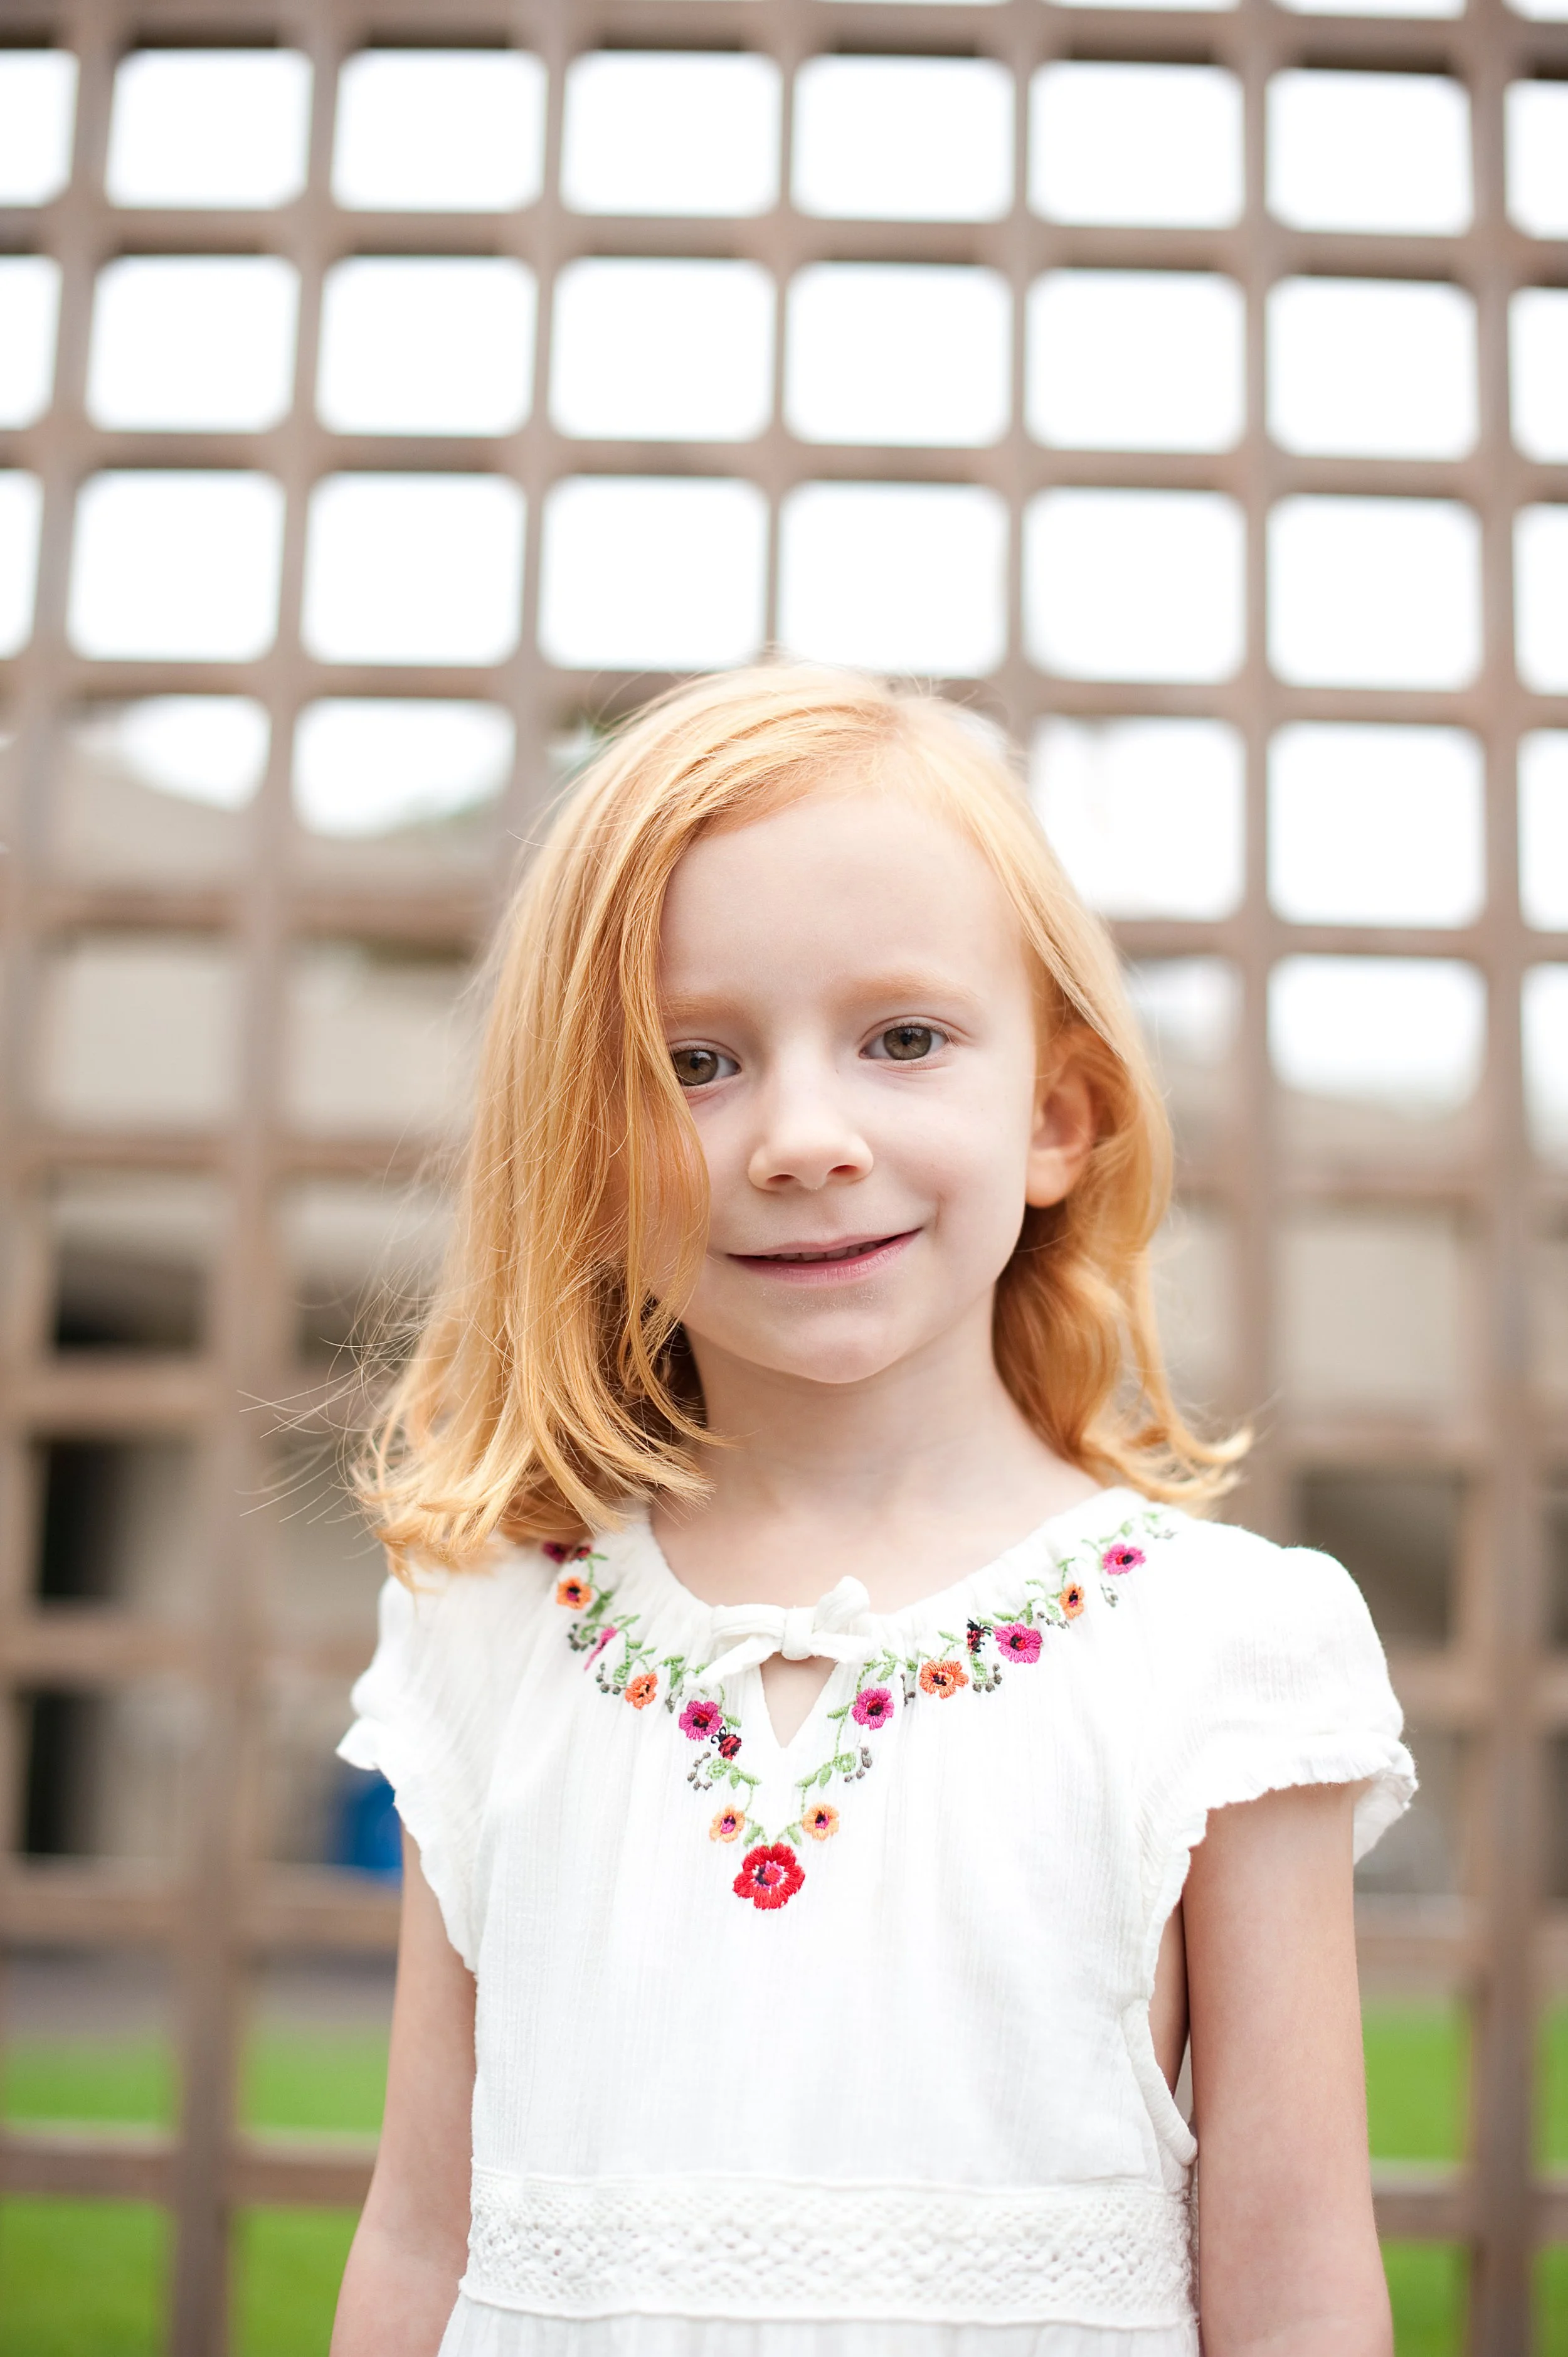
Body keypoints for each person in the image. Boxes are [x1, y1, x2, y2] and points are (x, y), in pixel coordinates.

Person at [330, 666, 1413, 2357]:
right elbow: (418, 2230)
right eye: (692, 1060)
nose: (802, 1136)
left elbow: (1292, 2287)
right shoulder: (484, 1631)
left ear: (1055, 1113)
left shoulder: (1227, 1649)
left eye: (900, 1037)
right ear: (581, 1146)